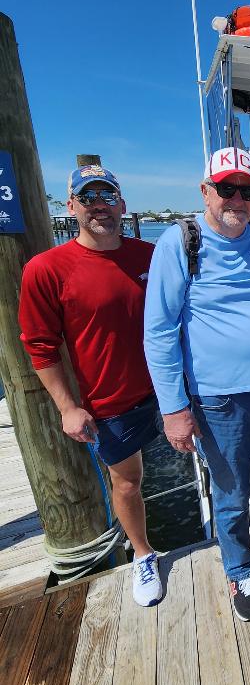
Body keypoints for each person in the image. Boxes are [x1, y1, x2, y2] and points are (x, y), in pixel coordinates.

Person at [144, 147, 250, 623]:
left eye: (248, 190)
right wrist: (174, 409)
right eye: (226, 189)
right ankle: (239, 569)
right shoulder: (179, 244)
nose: (237, 199)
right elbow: (158, 333)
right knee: (233, 494)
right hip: (219, 401)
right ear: (205, 192)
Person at [19, 164, 162, 607]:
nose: (99, 206)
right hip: (111, 402)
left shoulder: (151, 254)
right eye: (87, 198)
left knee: (218, 460)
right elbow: (40, 345)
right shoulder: (47, 269)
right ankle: (142, 553)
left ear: (121, 203)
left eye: (106, 197)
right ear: (71, 206)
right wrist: (67, 407)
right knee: (128, 483)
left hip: (172, 390)